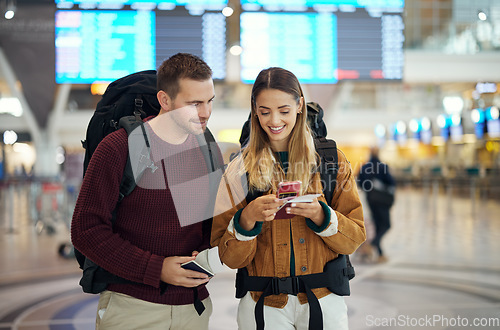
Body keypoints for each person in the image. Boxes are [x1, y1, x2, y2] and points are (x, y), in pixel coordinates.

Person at [71, 53, 220, 329]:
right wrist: (156, 269)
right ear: (165, 100)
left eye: (210, 101)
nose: (205, 113)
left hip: (193, 309)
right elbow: (85, 229)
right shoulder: (118, 147)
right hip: (132, 309)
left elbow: (207, 225)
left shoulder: (207, 149)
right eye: (194, 103)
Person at [211, 67, 366, 330]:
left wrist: (322, 216)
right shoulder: (238, 170)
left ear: (300, 106)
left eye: (284, 110)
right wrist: (246, 221)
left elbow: (355, 237)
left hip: (323, 301)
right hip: (262, 304)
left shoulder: (330, 161)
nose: (274, 121)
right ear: (254, 109)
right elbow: (229, 258)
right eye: (264, 111)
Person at [357, 146, 396, 263]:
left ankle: (380, 254)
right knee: (386, 225)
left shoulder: (364, 167)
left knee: (378, 225)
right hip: (382, 200)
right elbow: (391, 183)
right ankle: (372, 245)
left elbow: (359, 182)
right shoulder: (383, 167)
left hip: (371, 199)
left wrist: (369, 189)